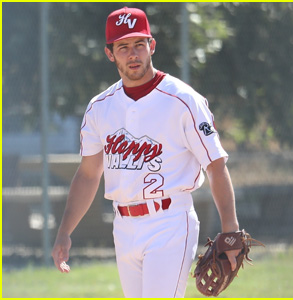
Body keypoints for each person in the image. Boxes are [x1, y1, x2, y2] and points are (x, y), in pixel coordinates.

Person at [52, 6, 240, 298]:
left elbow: (215, 165)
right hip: (123, 226)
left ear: (151, 46)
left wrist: (231, 228)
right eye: (123, 46)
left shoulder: (183, 100)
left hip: (170, 221)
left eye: (139, 44)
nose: (133, 54)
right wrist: (65, 230)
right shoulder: (99, 108)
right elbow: (88, 174)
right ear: (110, 53)